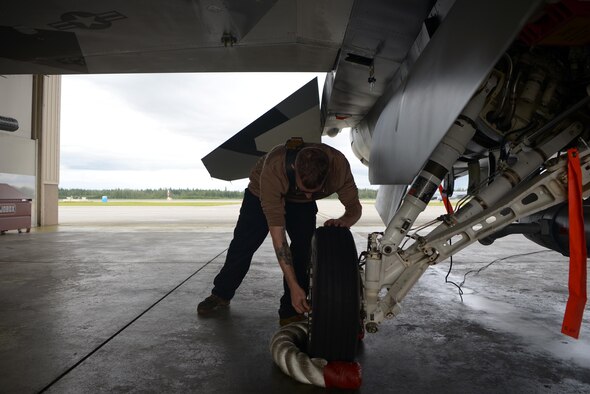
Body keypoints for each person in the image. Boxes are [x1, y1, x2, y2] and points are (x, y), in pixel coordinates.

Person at [197, 138, 362, 325]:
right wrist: (293, 286)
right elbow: (279, 238)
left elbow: (355, 209)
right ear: (294, 167)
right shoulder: (275, 168)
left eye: (315, 191)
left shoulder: (339, 167)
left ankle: (292, 310)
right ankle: (221, 294)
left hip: (301, 207)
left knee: (303, 249)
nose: (309, 195)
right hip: (261, 194)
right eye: (304, 189)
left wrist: (344, 221)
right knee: (243, 245)